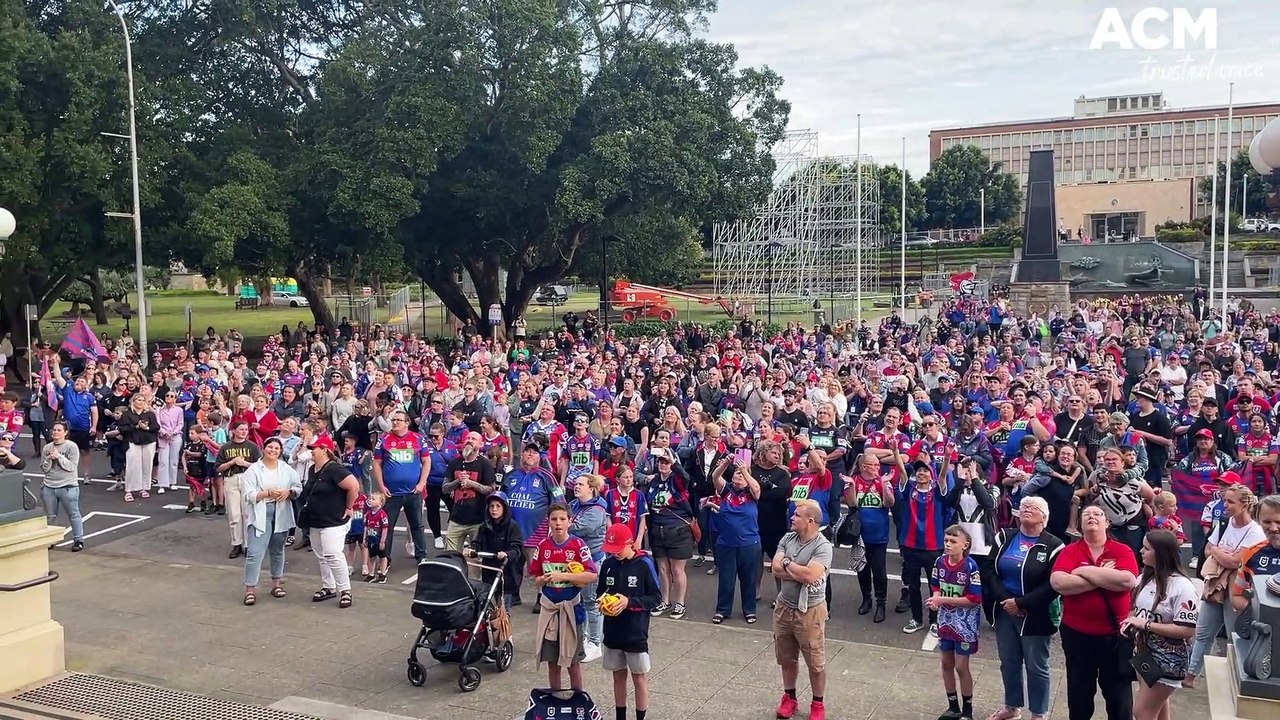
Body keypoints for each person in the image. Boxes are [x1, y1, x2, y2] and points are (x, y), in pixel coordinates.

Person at [1050, 505, 1140, 720]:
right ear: (1080, 524)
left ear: (1107, 523)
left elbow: (1127, 580)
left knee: (1118, 697)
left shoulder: (1122, 550)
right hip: (1077, 635)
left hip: (1114, 637)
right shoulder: (1070, 551)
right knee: (1079, 693)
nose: (1091, 517)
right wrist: (1105, 577)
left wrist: (1083, 572)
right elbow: (1058, 583)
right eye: (1086, 515)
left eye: (1097, 514)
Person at [983, 496, 1063, 720]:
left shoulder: (1054, 545)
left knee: (1037, 666)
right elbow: (989, 570)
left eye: (1034, 508)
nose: (1027, 509)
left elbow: (1053, 584)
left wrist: (1022, 603)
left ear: (1044, 518)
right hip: (1004, 610)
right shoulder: (1004, 536)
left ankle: (1038, 713)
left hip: (1036, 614)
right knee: (1009, 661)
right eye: (1025, 506)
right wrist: (1006, 600)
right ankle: (1011, 707)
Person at [1185, 483, 1264, 686]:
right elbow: (1207, 550)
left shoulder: (1256, 531)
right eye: (1224, 500)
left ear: (1244, 505)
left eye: (1230, 501)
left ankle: (1236, 678)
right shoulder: (1223, 523)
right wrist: (1223, 553)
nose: (1225, 505)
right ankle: (1190, 675)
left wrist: (1218, 552)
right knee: (1203, 632)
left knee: (1234, 636)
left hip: (1237, 588)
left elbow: (1234, 561)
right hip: (1216, 583)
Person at [1121, 530, 1199, 720]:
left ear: (1161, 553)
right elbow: (1134, 610)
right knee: (1159, 706)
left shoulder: (1183, 587)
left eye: (1146, 548)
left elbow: (1187, 630)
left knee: (1142, 712)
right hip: (1143, 652)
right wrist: (1130, 621)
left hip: (1168, 660)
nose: (1140, 551)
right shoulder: (1143, 579)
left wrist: (1146, 625)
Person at [772, 498, 833, 720]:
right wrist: (796, 570)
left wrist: (788, 563)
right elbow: (775, 569)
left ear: (810, 520)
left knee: (815, 663)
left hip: (810, 611)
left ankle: (818, 704)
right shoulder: (788, 537)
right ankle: (790, 698)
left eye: (796, 515)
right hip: (784, 607)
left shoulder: (823, 546)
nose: (792, 517)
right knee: (786, 658)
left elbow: (811, 575)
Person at [531, 503, 598, 692]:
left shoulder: (578, 545)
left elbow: (592, 575)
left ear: (570, 521)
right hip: (550, 610)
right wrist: (542, 579)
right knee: (552, 662)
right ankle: (555, 700)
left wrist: (565, 576)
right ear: (548, 522)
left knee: (573, 662)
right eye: (554, 519)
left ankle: (578, 701)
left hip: (572, 610)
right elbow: (535, 578)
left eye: (562, 519)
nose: (558, 523)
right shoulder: (543, 546)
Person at [597, 523, 661, 720]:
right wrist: (602, 601)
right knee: (617, 675)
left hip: (635, 631)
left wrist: (628, 602)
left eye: (617, 550)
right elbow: (600, 591)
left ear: (630, 544)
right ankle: (620, 716)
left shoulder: (644, 564)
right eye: (610, 550)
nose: (614, 554)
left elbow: (656, 598)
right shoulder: (608, 565)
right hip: (612, 630)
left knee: (639, 677)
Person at [240, 437, 304, 605]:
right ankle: (250, 589)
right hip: (261, 512)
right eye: (270, 447)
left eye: (276, 448)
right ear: (264, 448)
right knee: (254, 552)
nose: (273, 451)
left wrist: (288, 492)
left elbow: (298, 488)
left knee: (277, 549)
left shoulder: (286, 469)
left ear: (280, 451)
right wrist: (267, 493)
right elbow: (248, 495)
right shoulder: (253, 470)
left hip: (281, 511)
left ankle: (276, 584)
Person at [928, 525, 983, 720]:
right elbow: (935, 585)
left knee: (961, 666)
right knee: (946, 663)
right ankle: (953, 706)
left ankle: (968, 709)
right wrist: (936, 597)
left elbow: (974, 599)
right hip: (945, 622)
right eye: (946, 541)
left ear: (965, 545)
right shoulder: (939, 562)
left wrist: (942, 600)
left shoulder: (970, 567)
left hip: (965, 626)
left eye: (953, 541)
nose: (948, 545)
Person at [301, 435, 361, 609]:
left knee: (333, 554)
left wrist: (349, 506)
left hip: (334, 519)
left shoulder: (335, 469)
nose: (312, 451)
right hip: (316, 519)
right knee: (322, 556)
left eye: (315, 449)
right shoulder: (313, 469)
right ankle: (329, 586)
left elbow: (353, 486)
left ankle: (345, 590)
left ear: (325, 450)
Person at [371, 409, 430, 562]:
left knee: (417, 525)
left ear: (407, 423)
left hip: (413, 491)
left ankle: (421, 556)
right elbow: (376, 463)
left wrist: (422, 483)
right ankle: (385, 559)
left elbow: (426, 461)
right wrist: (381, 486)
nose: (395, 422)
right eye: (394, 420)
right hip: (391, 493)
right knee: (388, 526)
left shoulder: (418, 438)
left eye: (399, 420)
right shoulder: (384, 439)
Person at [845, 451, 895, 622]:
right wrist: (851, 486)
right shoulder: (854, 481)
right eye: (874, 465)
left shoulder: (882, 481)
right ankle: (866, 598)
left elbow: (890, 503)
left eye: (878, 465)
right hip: (859, 535)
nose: (877, 468)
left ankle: (881, 603)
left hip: (879, 535)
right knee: (862, 569)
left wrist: (885, 486)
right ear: (864, 466)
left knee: (879, 572)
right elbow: (851, 504)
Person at [570, 474, 609, 661]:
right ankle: (583, 638)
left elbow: (579, 528)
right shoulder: (574, 505)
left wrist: (566, 524)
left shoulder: (597, 510)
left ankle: (595, 643)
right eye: (575, 483)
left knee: (591, 603)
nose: (576, 486)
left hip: (592, 562)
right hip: (575, 563)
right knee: (579, 603)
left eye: (580, 484)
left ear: (591, 488)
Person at [442, 431, 498, 554]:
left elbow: (491, 489)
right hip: (456, 518)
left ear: (480, 444)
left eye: (473, 439)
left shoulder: (485, 464)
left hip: (477, 521)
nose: (469, 440)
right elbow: (445, 488)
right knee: (450, 555)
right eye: (468, 438)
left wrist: (472, 483)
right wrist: (458, 481)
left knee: (476, 558)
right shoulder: (454, 463)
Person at [215, 420, 262, 559]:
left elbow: (259, 467)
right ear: (233, 431)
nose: (244, 431)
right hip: (231, 479)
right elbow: (218, 467)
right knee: (234, 514)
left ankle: (248, 545)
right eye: (241, 429)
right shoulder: (225, 447)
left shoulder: (252, 447)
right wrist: (231, 462)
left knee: (247, 513)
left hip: (247, 480)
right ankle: (236, 544)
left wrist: (245, 463)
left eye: (245, 429)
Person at [468, 492, 524, 609]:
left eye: (498, 506)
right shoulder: (485, 526)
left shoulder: (513, 527)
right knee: (486, 606)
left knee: (503, 609)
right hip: (489, 572)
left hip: (507, 575)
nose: (494, 509)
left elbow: (516, 549)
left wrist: (506, 554)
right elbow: (477, 542)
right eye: (491, 506)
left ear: (505, 508)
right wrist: (472, 549)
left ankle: (502, 625)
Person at [40, 422, 84, 552]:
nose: (55, 433)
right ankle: (51, 540)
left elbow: (71, 467)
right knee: (50, 515)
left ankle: (78, 539)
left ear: (65, 432)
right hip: (49, 486)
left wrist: (59, 456)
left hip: (68, 486)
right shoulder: (47, 448)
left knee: (74, 514)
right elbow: (44, 469)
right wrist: (49, 459)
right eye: (54, 430)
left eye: (59, 430)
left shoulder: (71, 446)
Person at [117, 392, 158, 502]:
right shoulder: (126, 414)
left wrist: (147, 428)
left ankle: (144, 488)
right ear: (133, 402)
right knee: (132, 466)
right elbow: (122, 429)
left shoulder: (150, 414)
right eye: (138, 400)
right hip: (132, 441)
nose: (140, 402)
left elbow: (156, 427)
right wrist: (136, 426)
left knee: (147, 465)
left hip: (148, 441)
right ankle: (129, 490)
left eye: (142, 400)